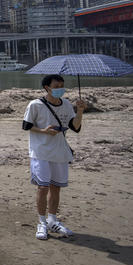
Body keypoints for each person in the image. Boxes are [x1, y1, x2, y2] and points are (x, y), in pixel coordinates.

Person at [22, 74, 85, 240]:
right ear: (47, 88)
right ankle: (41, 223)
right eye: (56, 86)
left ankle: (52, 220)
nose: (60, 89)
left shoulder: (65, 104)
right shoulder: (35, 105)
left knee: (56, 187)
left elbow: (75, 127)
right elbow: (26, 125)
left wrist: (79, 111)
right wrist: (44, 131)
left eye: (62, 86)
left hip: (59, 152)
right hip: (40, 151)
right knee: (43, 187)